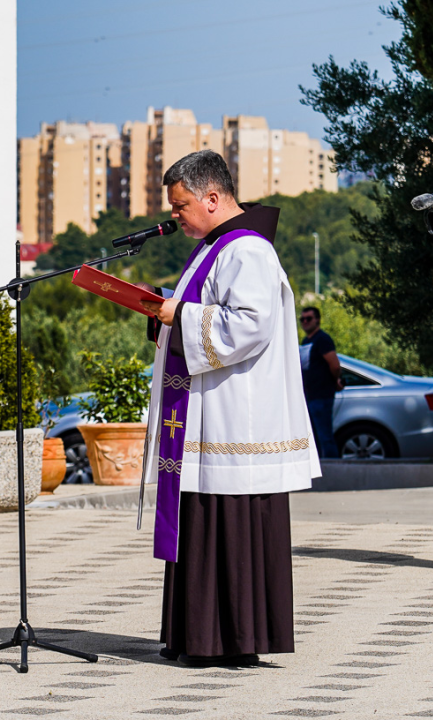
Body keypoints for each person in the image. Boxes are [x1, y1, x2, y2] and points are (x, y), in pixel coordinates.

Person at [138, 150, 320, 666]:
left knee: (229, 523)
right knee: (203, 521)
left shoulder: (247, 251)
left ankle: (233, 641)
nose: (175, 216)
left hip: (236, 418)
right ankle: (199, 637)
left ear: (212, 197)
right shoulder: (216, 247)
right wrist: (166, 314)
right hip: (208, 413)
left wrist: (179, 313)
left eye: (181, 206)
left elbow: (249, 325)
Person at [299, 306, 343, 458]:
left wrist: (334, 380)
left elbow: (335, 365)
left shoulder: (323, 339)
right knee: (315, 439)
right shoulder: (307, 340)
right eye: (302, 319)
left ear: (317, 320)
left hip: (322, 396)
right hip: (310, 396)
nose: (305, 322)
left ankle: (333, 471)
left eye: (309, 318)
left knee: (325, 437)